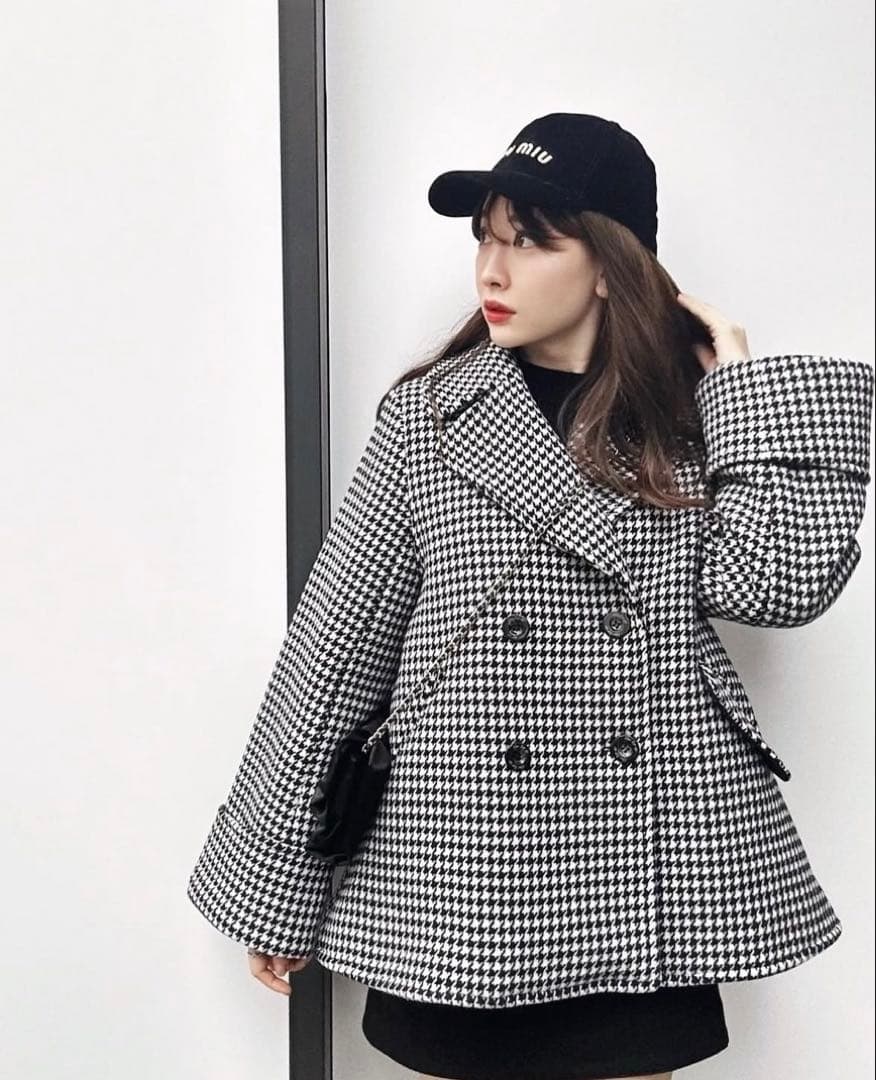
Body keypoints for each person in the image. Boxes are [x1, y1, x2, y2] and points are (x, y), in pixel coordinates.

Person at [187, 113, 875, 1080]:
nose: (492, 271)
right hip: (463, 876)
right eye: (485, 238)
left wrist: (745, 389)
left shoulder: (690, 421)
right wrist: (277, 886)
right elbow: (335, 656)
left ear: (610, 266)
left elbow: (776, 585)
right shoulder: (431, 416)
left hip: (641, 878)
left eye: (530, 241)